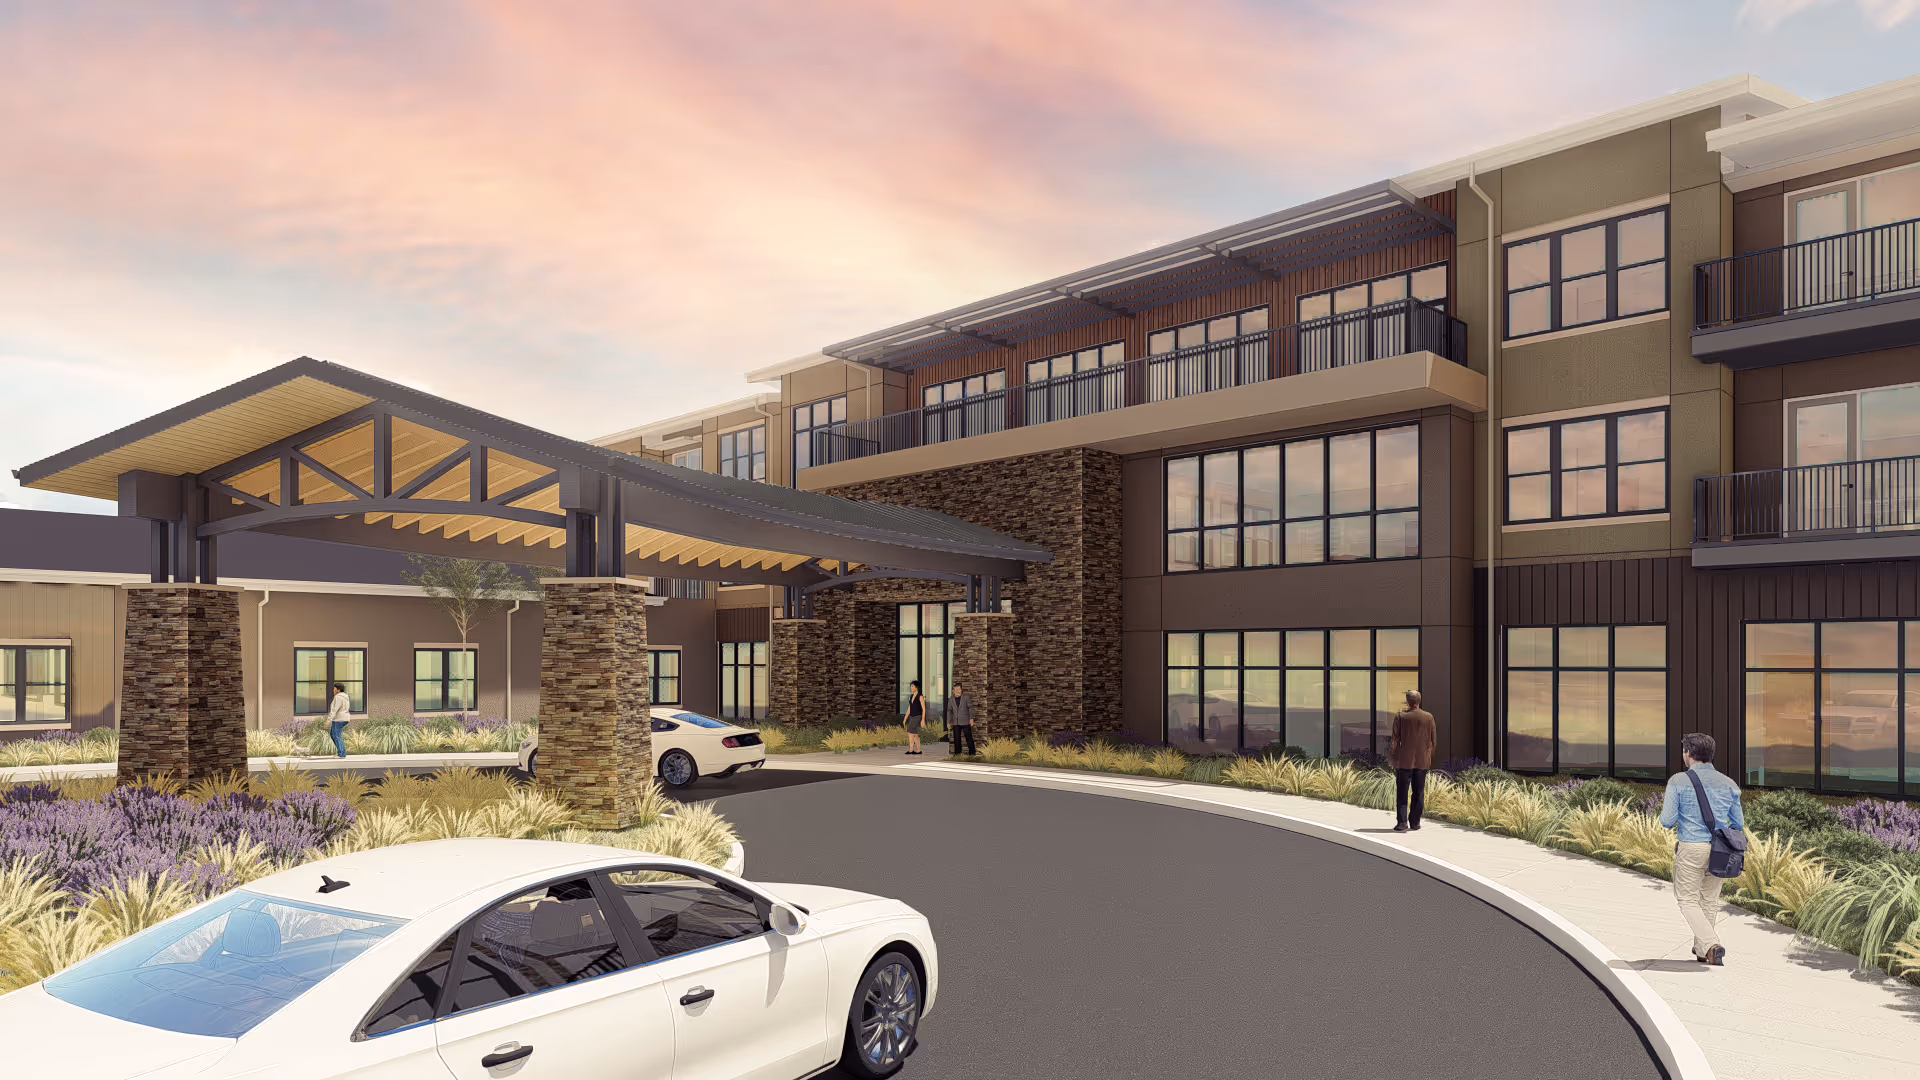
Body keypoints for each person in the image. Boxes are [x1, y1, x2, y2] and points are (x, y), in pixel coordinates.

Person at [1660, 732, 1745, 967]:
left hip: (1692, 847)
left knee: (1687, 900)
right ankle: (1703, 951)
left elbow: (1667, 821)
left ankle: (1711, 944)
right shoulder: (1729, 783)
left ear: (1688, 753)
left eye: (1684, 752)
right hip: (1721, 849)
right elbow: (1738, 823)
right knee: (1708, 900)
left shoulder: (1678, 781)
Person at [1388, 689, 1435, 833]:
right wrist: (1429, 757)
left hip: (1404, 761)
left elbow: (1395, 741)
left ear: (1407, 702)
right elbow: (1433, 741)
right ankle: (1415, 822)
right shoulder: (1428, 717)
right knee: (1418, 792)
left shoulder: (1400, 717)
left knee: (1402, 792)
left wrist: (1392, 758)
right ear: (1419, 701)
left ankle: (1402, 823)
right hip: (1422, 761)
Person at [949, 682, 976, 757]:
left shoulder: (966, 698)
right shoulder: (951, 699)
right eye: (956, 690)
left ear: (961, 690)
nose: (958, 691)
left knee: (968, 737)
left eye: (959, 689)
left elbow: (970, 708)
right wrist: (948, 721)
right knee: (956, 739)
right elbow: (949, 710)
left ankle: (972, 753)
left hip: (965, 721)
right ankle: (957, 754)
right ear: (953, 691)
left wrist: (971, 718)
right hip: (955, 722)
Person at [326, 682, 352, 759]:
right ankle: (340, 752)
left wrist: (328, 720)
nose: (333, 690)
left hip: (339, 719)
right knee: (333, 734)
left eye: (334, 689)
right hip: (344, 718)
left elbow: (334, 710)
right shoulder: (346, 697)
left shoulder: (338, 697)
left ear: (338, 689)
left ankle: (341, 754)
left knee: (337, 736)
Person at [903, 679, 927, 755]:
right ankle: (919, 750)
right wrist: (905, 718)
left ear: (916, 687)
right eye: (910, 686)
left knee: (910, 732)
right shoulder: (911, 697)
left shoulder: (920, 697)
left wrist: (922, 720)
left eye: (912, 686)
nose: (911, 688)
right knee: (915, 734)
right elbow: (909, 709)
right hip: (912, 716)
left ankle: (911, 749)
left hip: (918, 716)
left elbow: (924, 709)